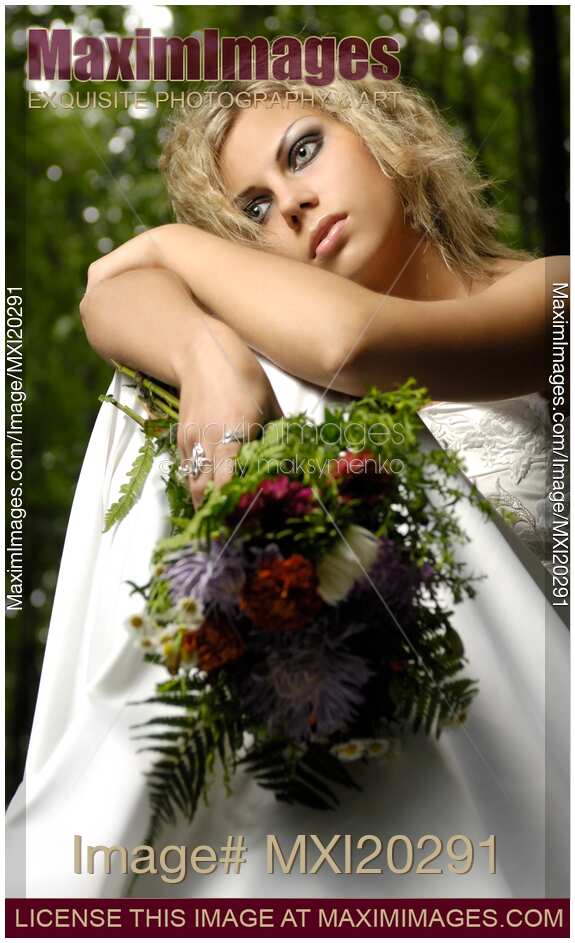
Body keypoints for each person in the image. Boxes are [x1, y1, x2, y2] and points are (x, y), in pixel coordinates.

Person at [6, 77, 568, 898]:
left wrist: (169, 244)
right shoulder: (279, 356)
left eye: (303, 151)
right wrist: (206, 354)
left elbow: (347, 341)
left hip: (532, 753)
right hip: (351, 752)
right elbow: (110, 293)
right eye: (256, 211)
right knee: (156, 383)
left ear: (388, 135)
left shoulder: (556, 292)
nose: (294, 207)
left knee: (292, 385)